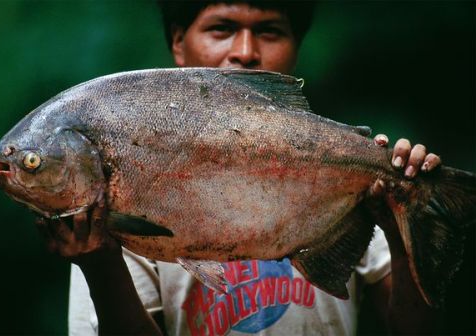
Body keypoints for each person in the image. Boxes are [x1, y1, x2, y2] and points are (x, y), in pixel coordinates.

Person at [37, 2, 442, 335]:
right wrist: (100, 263)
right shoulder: (116, 189)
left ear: (297, 46)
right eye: (222, 28)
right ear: (179, 42)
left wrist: (401, 224)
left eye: (269, 30)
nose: (245, 51)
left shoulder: (340, 164)